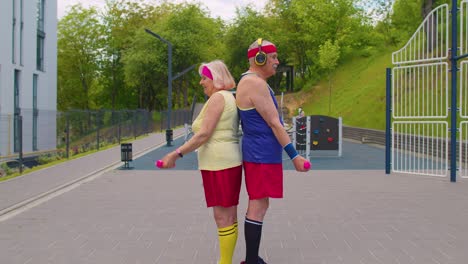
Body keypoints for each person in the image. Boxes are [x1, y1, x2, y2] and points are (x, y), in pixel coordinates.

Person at [159, 60, 242, 264]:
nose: (200, 82)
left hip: (219, 164)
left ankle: (224, 262)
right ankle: (226, 260)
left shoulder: (217, 98)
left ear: (216, 78)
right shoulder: (228, 97)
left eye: (204, 77)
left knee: (223, 216)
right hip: (226, 162)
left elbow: (203, 134)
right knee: (229, 216)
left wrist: (175, 154)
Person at [236, 38, 310, 264]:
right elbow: (274, 123)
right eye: (274, 57)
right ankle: (250, 261)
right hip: (261, 154)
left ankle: (251, 259)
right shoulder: (254, 83)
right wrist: (294, 155)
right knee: (258, 204)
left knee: (261, 203)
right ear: (260, 59)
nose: (277, 62)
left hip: (261, 152)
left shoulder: (252, 81)